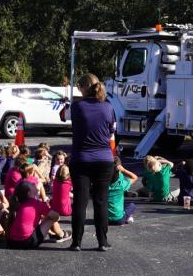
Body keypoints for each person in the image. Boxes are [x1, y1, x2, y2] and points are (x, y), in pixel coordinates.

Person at [67, 72, 117, 251]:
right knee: (101, 201)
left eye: (79, 87)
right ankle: (102, 242)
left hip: (81, 158)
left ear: (84, 88)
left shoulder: (77, 106)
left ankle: (76, 242)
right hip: (104, 159)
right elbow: (111, 130)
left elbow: (62, 116)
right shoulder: (108, 107)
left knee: (80, 201)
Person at [6, 181, 67, 249]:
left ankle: (56, 234)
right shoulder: (35, 203)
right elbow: (56, 217)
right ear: (29, 193)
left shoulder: (20, 203)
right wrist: (46, 214)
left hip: (12, 242)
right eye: (32, 184)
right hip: (26, 242)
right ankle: (61, 234)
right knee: (50, 218)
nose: (34, 184)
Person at [107, 158, 138, 226]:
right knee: (131, 205)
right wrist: (123, 170)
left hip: (103, 219)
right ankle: (128, 217)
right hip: (118, 220)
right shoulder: (121, 184)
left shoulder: (102, 184)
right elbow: (135, 177)